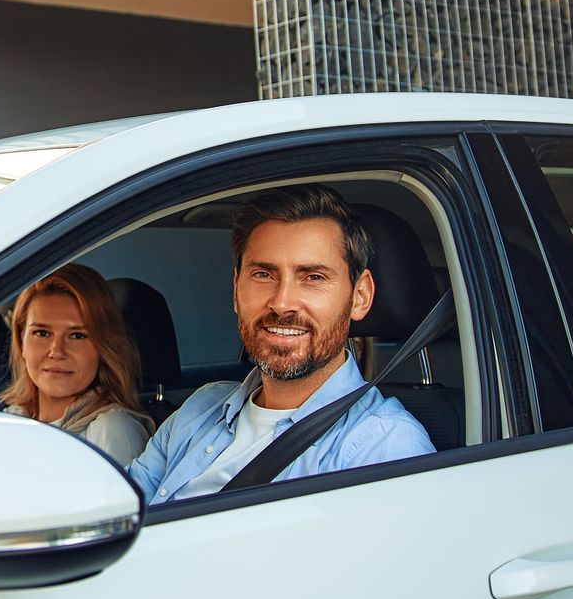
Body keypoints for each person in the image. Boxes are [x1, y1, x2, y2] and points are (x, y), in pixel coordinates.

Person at [126, 185, 433, 504]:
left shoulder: (381, 446)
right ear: (236, 289)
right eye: (263, 274)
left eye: (313, 277)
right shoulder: (201, 408)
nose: (282, 303)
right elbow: (120, 508)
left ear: (360, 296)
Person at [1, 264, 153, 463]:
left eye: (77, 335)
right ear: (21, 341)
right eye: (42, 333)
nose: (56, 351)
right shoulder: (12, 419)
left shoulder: (113, 430)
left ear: (103, 345)